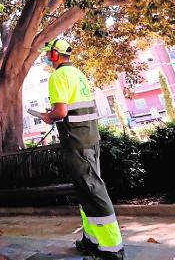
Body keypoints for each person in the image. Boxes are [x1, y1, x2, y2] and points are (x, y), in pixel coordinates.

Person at [39, 39, 126, 260]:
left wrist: (47, 116)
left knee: (92, 189)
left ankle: (112, 248)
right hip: (89, 138)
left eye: (50, 53)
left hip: (77, 141)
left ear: (56, 55)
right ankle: (92, 239)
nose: (48, 57)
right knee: (85, 190)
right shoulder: (78, 73)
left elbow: (60, 112)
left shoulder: (58, 76)